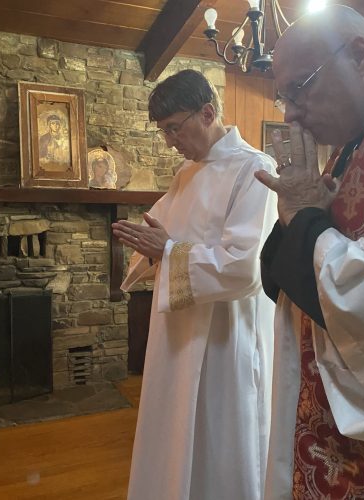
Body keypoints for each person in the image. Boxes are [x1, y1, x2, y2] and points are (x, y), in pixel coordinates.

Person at [255, 5, 364, 499]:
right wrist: (303, 218)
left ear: (357, 56)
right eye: (283, 96)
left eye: (300, 86)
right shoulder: (354, 148)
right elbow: (282, 275)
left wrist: (308, 219)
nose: (288, 113)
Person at [112, 69, 278, 500]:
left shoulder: (255, 170)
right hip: (178, 337)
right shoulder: (185, 174)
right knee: (174, 435)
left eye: (173, 128)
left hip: (225, 336)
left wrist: (168, 251)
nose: (169, 141)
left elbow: (245, 266)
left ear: (207, 113)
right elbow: (160, 239)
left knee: (219, 438)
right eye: (163, 131)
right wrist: (152, 250)